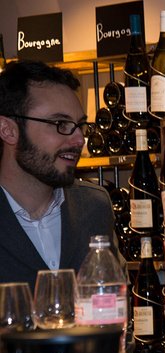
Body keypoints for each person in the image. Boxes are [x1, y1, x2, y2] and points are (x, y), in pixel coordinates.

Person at [0, 60, 121, 291]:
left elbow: (111, 306)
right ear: (8, 130)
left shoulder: (94, 207)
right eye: (60, 123)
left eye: (80, 125)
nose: (79, 140)